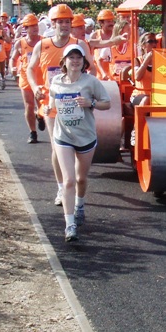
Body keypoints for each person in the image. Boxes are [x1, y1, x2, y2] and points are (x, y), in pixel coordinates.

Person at [27, 4, 93, 206]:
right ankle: (61, 187)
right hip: (52, 104)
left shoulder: (79, 44)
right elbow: (30, 68)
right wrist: (35, 85)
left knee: (77, 146)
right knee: (57, 147)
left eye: (67, 21)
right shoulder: (43, 45)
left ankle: (74, 184)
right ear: (53, 23)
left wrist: (86, 89)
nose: (64, 25)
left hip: (75, 105)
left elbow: (93, 70)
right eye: (60, 22)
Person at [46, 44, 111, 242]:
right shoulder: (56, 81)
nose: (75, 61)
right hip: (63, 136)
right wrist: (47, 109)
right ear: (64, 61)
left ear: (84, 62)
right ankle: (70, 225)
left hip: (85, 136)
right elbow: (51, 102)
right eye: (71, 58)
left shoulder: (91, 82)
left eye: (78, 58)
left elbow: (106, 103)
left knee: (81, 179)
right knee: (68, 180)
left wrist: (90, 103)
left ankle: (79, 205)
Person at [9, 13, 43, 143]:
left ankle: (40, 116)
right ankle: (33, 132)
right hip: (26, 77)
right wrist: (12, 68)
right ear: (26, 28)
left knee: (42, 104)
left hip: (41, 78)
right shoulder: (20, 43)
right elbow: (13, 58)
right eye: (31, 26)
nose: (35, 28)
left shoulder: (44, 41)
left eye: (36, 25)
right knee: (29, 105)